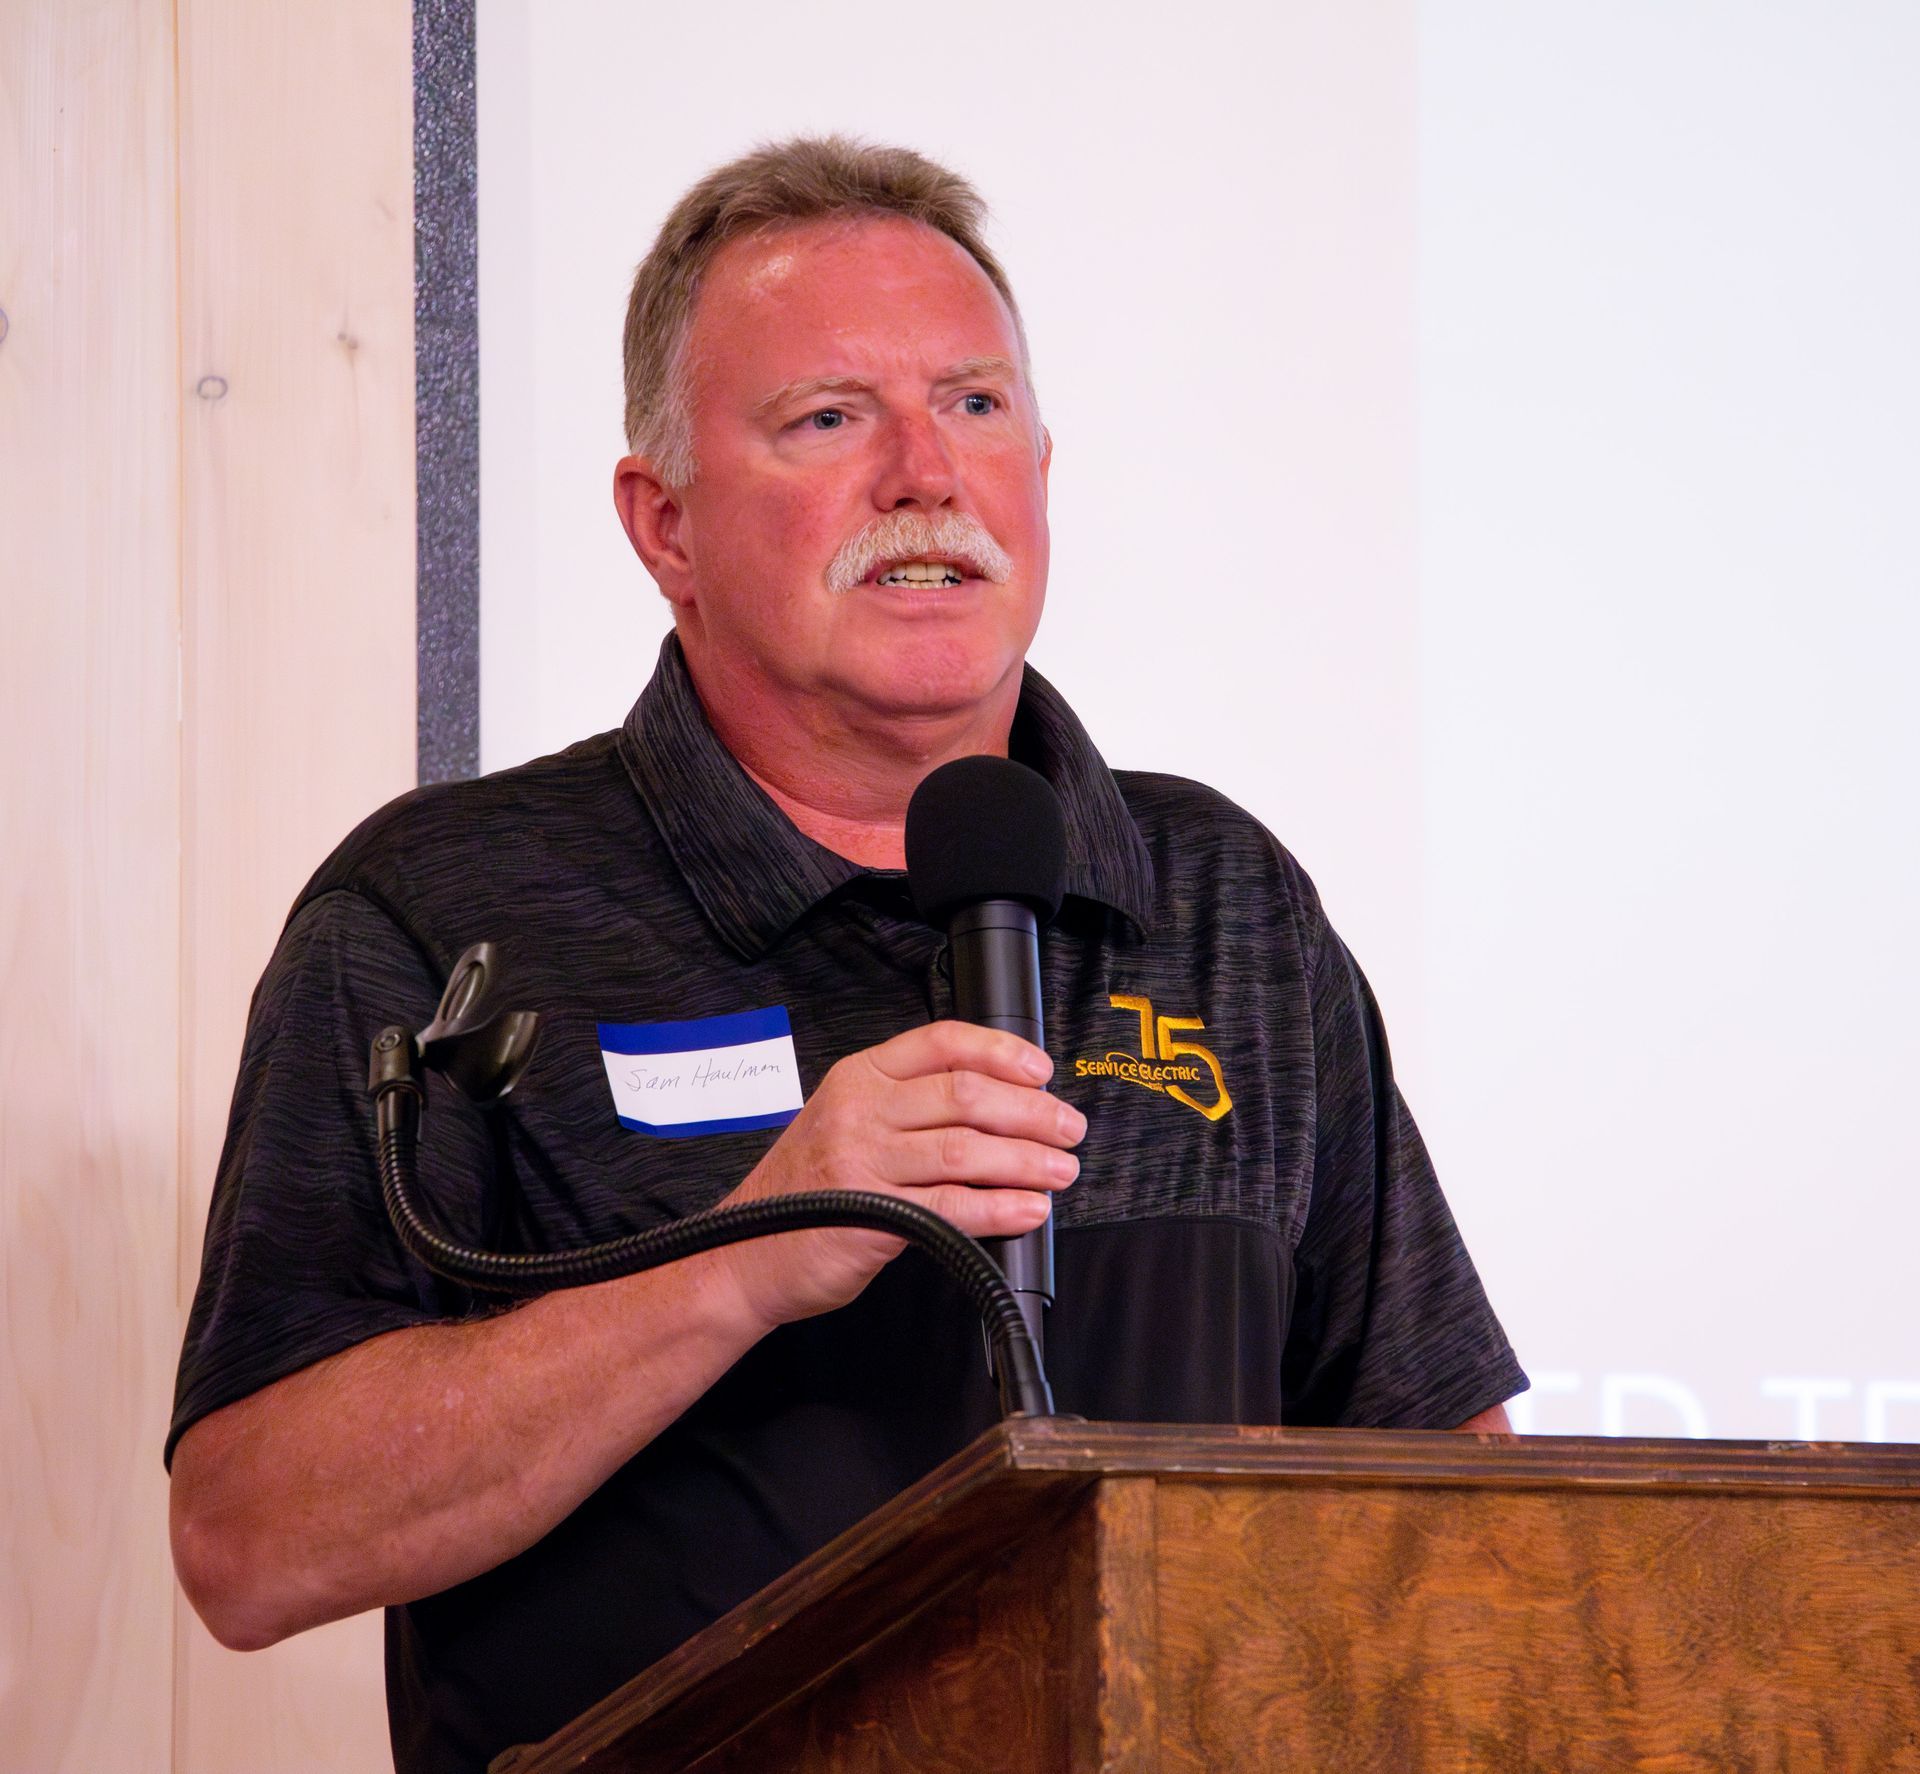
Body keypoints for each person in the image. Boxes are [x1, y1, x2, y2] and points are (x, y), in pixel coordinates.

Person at [168, 137, 1526, 1772]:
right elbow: (251, 1540)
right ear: (662, 523)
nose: (925, 476)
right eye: (828, 419)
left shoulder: (1225, 901)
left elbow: (1459, 1507)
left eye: (973, 405)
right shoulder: (443, 915)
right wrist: (746, 1253)